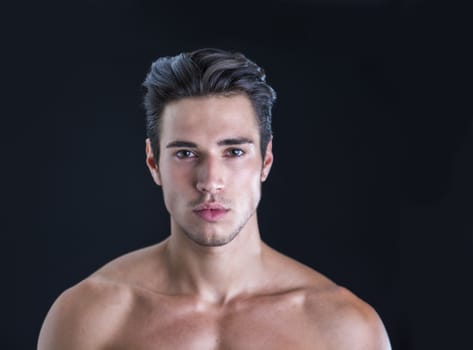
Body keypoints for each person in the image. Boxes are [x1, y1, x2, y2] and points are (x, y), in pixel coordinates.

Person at [38, 48, 391, 349]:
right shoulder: (89, 319)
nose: (209, 182)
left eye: (234, 151)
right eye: (186, 154)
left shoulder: (346, 331)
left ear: (265, 160)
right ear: (153, 162)